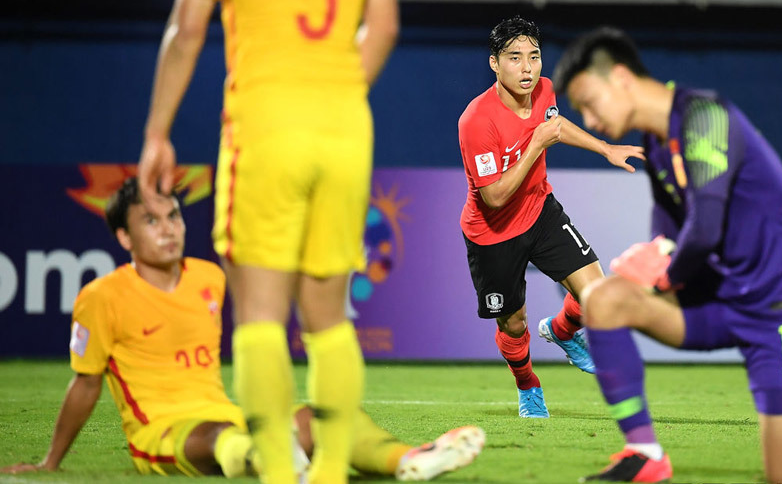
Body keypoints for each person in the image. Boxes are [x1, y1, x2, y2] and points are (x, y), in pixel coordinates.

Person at [0, 178, 485, 481]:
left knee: (325, 415)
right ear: (124, 237)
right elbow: (86, 383)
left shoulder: (208, 277)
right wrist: (50, 462)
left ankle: (408, 460)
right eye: (151, 221)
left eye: (172, 216)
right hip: (162, 437)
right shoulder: (100, 297)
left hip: (231, 416)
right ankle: (282, 467)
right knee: (218, 438)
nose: (169, 228)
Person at [136, 0, 400, 483]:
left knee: (260, 316)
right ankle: (328, 472)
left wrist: (156, 133)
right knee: (327, 320)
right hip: (346, 130)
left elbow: (187, 30)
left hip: (266, 125)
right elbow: (386, 25)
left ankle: (279, 473)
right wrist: (337, 95)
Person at [552, 26, 782, 483]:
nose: (588, 120)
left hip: (779, 310)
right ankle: (644, 453)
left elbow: (703, 230)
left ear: (622, 77)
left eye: (590, 102)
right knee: (604, 299)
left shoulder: (705, 116)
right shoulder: (656, 142)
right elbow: (668, 232)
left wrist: (659, 278)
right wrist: (650, 261)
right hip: (717, 301)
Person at [458, 16, 645, 419]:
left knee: (596, 295)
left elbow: (555, 126)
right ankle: (528, 386)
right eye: (514, 58)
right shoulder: (476, 121)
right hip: (492, 232)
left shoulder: (544, 89)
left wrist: (606, 149)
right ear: (494, 63)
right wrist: (536, 143)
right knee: (512, 325)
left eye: (534, 56)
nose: (527, 68)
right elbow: (493, 197)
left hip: (539, 210)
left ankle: (561, 331)